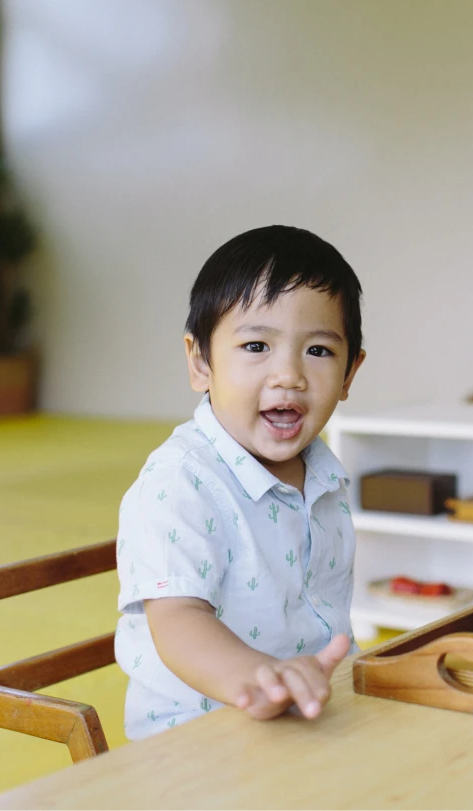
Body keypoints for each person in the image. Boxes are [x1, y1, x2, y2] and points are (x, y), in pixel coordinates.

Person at [114, 225, 366, 738]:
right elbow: (179, 621)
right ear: (200, 361)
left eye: (318, 351)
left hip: (311, 711)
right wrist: (260, 678)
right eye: (256, 345)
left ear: (349, 375)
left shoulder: (324, 473)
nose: (288, 375)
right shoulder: (180, 481)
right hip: (198, 738)